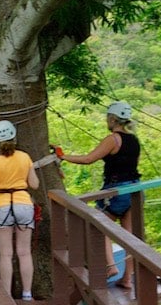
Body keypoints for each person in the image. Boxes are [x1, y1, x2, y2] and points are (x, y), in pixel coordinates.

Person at [59, 101, 140, 289]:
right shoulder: (134, 140)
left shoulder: (113, 139)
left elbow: (89, 159)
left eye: (107, 118)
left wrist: (63, 157)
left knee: (100, 227)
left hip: (115, 190)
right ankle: (127, 278)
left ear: (112, 118)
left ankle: (111, 266)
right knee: (128, 236)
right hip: (134, 189)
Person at [0, 120, 40, 300]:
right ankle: (27, 293)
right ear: (14, 136)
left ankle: (7, 295)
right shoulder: (24, 157)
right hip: (23, 203)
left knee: (6, 254)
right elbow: (35, 184)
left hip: (2, 205)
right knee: (24, 253)